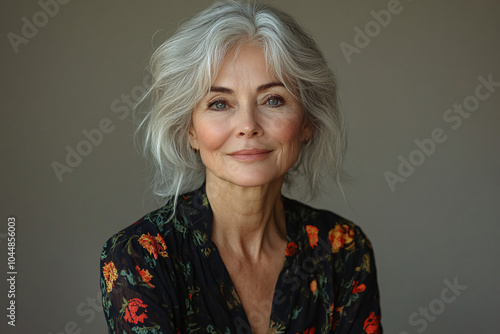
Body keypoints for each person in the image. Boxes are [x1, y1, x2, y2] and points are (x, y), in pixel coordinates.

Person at [100, 1, 382, 333]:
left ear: (308, 122)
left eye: (273, 100)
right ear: (190, 130)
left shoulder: (341, 248)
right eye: (219, 103)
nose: (247, 125)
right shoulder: (140, 255)